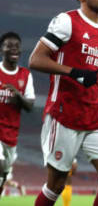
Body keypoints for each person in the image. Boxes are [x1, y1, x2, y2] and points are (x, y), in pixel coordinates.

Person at [30, 0, 98, 206]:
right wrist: (74, 72)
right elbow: (35, 60)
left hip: (94, 117)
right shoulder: (67, 21)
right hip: (65, 116)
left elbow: (92, 78)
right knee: (56, 185)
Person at [0, 31, 35, 197]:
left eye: (17, 46)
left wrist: (18, 96)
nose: (14, 49)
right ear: (2, 49)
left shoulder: (25, 75)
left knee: (3, 176)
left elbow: (30, 106)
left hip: (11, 136)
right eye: (9, 46)